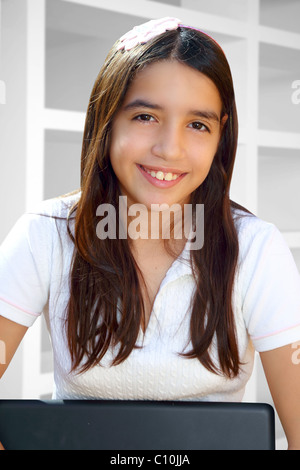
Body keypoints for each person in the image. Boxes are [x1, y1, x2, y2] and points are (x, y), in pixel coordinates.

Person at [0, 17, 300, 449]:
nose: (169, 149)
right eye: (145, 116)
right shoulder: (44, 235)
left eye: (197, 125)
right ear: (106, 122)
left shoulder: (256, 249)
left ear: (221, 135)